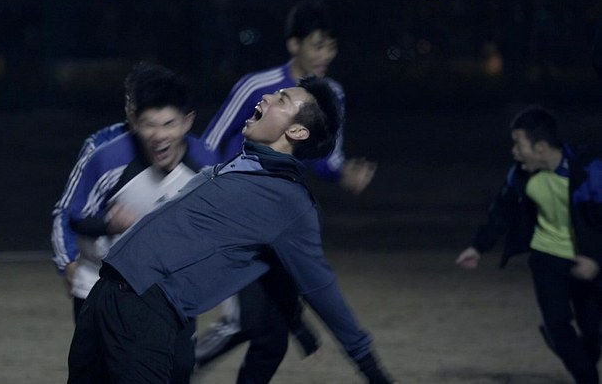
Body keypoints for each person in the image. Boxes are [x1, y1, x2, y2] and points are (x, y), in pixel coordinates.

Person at [67, 75, 397, 384]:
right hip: (105, 294)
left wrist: (370, 368)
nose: (267, 97)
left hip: (144, 307)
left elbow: (320, 287)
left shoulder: (292, 204)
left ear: (297, 132)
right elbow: (272, 271)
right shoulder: (236, 167)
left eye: (282, 99)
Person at [195, 0, 376, 381]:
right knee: (251, 323)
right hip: (232, 212)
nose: (325, 54)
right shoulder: (257, 86)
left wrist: (342, 173)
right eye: (317, 45)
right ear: (294, 45)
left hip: (276, 214)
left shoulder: (332, 94)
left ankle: (295, 324)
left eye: (331, 46)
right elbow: (208, 145)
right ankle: (171, 368)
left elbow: (324, 157)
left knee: (269, 339)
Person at [56, 63, 218, 383]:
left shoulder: (207, 165)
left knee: (178, 369)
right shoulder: (107, 158)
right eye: (150, 125)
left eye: (169, 124)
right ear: (134, 122)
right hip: (99, 286)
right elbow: (73, 216)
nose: (160, 135)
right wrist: (107, 225)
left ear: (187, 121)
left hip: (171, 291)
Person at [456, 106, 602, 384]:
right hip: (547, 257)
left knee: (591, 330)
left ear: (541, 147)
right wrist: (477, 247)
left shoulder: (589, 171)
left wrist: (595, 259)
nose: (514, 151)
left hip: (586, 260)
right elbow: (501, 212)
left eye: (518, 144)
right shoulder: (521, 175)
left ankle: (582, 359)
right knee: (557, 324)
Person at [51, 65, 148, 300]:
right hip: (101, 277)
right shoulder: (101, 146)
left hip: (161, 281)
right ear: (127, 106)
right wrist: (68, 261)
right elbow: (68, 210)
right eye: (133, 103)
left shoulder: (190, 151)